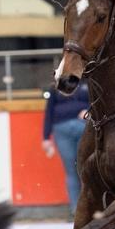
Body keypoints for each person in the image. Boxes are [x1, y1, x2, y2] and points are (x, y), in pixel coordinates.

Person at [42, 80, 89, 214]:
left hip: (84, 127)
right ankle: (76, 210)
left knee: (85, 168)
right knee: (71, 170)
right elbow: (49, 111)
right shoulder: (56, 86)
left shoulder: (89, 82)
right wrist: (46, 138)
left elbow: (98, 102)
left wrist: (89, 110)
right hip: (61, 130)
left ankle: (88, 208)